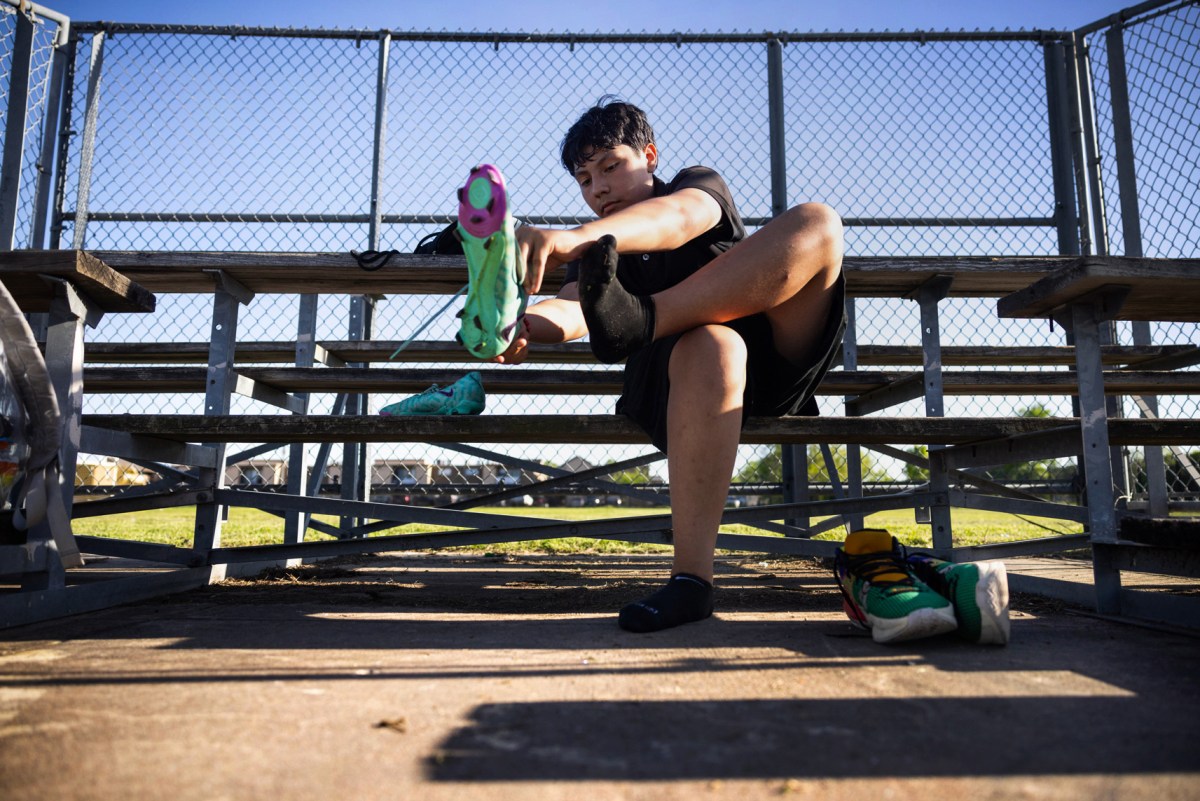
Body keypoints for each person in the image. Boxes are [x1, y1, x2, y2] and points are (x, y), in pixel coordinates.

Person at [495, 96, 847, 632]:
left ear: (650, 156)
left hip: (773, 365)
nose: (599, 189)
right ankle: (691, 583)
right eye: (585, 180)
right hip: (679, 384)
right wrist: (520, 326)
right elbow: (571, 309)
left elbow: (681, 218)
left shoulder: (695, 186)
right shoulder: (596, 257)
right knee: (712, 344)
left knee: (818, 222)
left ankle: (647, 317)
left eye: (611, 167)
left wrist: (574, 237)